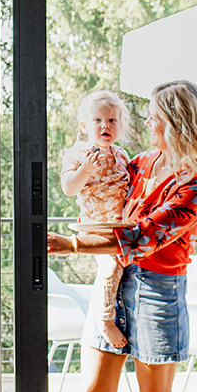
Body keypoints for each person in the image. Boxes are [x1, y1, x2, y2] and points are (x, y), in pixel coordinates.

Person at [47, 79, 197, 392]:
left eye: (154, 115)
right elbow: (98, 196)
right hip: (114, 280)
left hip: (158, 291)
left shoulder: (196, 184)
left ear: (175, 122)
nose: (146, 121)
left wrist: (72, 244)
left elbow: (144, 236)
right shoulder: (140, 163)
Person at [59, 90, 133, 351]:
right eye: (98, 120)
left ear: (120, 126)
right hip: (94, 225)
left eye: (112, 121)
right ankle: (105, 319)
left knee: (125, 264)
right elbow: (69, 188)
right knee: (111, 265)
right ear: (84, 126)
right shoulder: (78, 153)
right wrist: (85, 170)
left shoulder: (121, 154)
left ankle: (116, 310)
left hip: (119, 224)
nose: (105, 126)